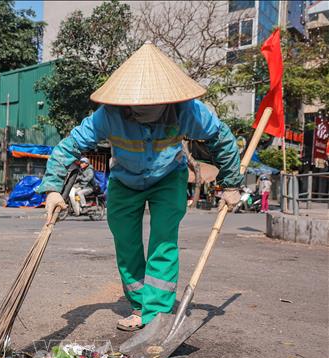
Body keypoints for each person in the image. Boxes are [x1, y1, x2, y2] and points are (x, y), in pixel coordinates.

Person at [38, 42, 243, 331]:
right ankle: (138, 304)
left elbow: (222, 138)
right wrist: (52, 190)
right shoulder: (108, 115)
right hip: (124, 179)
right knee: (126, 241)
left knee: (163, 240)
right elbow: (69, 147)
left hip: (169, 178)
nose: (144, 108)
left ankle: (156, 314)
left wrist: (231, 184)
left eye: (152, 103)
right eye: (138, 103)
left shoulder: (188, 111)